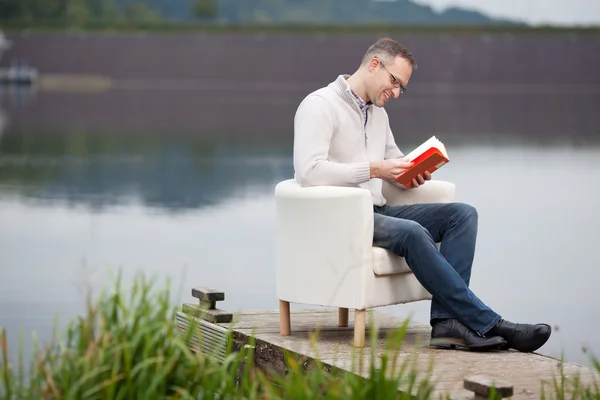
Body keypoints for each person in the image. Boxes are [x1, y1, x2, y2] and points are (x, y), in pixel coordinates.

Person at [292, 37, 551, 352]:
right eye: (395, 81)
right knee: (414, 233)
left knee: (462, 215)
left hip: (377, 212)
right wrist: (374, 169)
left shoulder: (378, 115)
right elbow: (309, 171)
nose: (397, 92)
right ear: (374, 64)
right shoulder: (319, 105)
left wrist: (412, 174)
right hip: (341, 216)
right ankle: (490, 323)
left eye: (402, 86)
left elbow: (393, 162)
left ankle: (446, 324)